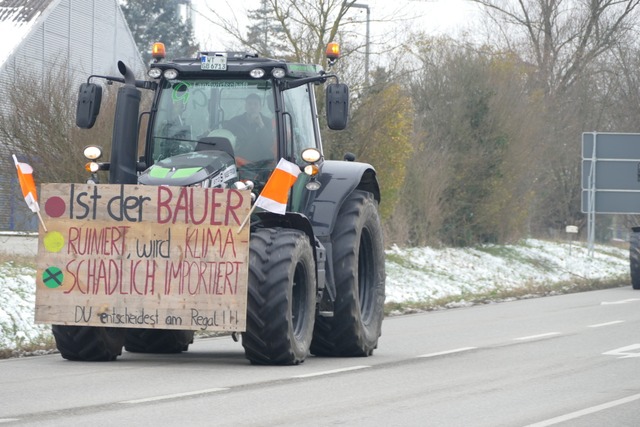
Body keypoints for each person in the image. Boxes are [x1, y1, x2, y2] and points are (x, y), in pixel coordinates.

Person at [224, 93, 275, 165]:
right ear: (245, 106)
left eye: (255, 104)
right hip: (237, 161)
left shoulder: (267, 122)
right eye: (249, 104)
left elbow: (268, 144)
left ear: (260, 107)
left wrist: (261, 124)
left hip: (260, 163)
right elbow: (225, 136)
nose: (252, 107)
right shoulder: (235, 121)